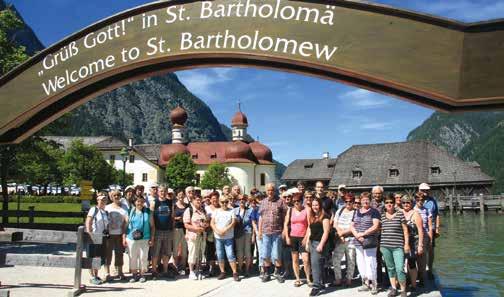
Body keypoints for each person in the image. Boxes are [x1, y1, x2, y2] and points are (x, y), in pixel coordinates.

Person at [351, 192, 381, 294]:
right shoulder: (356, 212)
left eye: (367, 199)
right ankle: (365, 283)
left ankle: (374, 284)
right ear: (360, 200)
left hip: (369, 241)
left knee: (371, 262)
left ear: (370, 200)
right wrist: (357, 235)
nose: (365, 201)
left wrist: (363, 234)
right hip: (358, 241)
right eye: (363, 199)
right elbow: (352, 225)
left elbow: (375, 226)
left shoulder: (374, 211)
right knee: (360, 262)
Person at [380, 195, 410, 297]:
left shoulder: (400, 214)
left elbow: (406, 231)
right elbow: (380, 229)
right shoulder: (382, 215)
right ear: (384, 203)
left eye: (391, 202)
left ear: (394, 203)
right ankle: (393, 288)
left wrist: (406, 244)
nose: (389, 204)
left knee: (400, 268)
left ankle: (403, 290)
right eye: (387, 202)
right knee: (390, 268)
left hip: (398, 246)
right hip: (385, 246)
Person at [258, 183, 288, 283]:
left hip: (277, 232)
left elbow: (285, 217)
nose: (270, 192)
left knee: (277, 253)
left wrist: (284, 230)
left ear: (274, 190)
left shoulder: (281, 202)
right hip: (266, 232)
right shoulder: (263, 202)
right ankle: (266, 273)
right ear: (266, 191)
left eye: (272, 190)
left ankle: (277, 273)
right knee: (265, 253)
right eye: (268, 190)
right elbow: (261, 218)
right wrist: (259, 231)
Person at [124, 195, 154, 283]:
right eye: (138, 201)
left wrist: (152, 238)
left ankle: (142, 274)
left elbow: (152, 226)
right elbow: (125, 226)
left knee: (143, 257)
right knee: (132, 257)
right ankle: (134, 274)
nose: (140, 203)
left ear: (144, 202)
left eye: (141, 201)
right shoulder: (130, 212)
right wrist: (123, 237)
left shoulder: (148, 212)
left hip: (145, 238)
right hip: (131, 238)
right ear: (134, 202)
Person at [284, 189, 311, 287]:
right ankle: (298, 278)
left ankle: (308, 278)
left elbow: (309, 225)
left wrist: (307, 238)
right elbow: (286, 224)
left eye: (298, 201)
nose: (296, 203)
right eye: (294, 201)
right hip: (293, 237)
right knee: (295, 259)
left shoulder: (306, 209)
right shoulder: (290, 210)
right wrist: (287, 237)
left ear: (301, 201)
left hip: (303, 237)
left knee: (306, 259)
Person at [211, 195, 240, 281]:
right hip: (218, 237)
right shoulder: (216, 211)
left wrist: (225, 230)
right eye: (222, 202)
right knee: (220, 255)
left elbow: (233, 222)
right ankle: (222, 272)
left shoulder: (231, 211)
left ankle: (235, 272)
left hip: (228, 237)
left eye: (226, 202)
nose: (224, 204)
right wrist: (217, 231)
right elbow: (212, 223)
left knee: (230, 254)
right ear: (219, 202)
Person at [306, 198, 331, 296]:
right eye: (313, 205)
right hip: (312, 242)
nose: (315, 207)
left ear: (320, 205)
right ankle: (320, 283)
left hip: (319, 243)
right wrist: (308, 242)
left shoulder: (324, 217)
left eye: (316, 205)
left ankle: (316, 286)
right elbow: (310, 230)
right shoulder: (313, 216)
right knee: (318, 264)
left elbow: (326, 232)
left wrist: (321, 244)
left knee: (315, 265)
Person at [332, 193, 357, 287]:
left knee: (351, 260)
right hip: (340, 239)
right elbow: (335, 224)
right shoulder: (340, 210)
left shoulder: (356, 212)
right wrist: (340, 234)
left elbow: (353, 227)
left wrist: (343, 233)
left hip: (351, 239)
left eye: (350, 201)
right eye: (346, 201)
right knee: (336, 259)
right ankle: (338, 278)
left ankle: (348, 279)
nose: (348, 203)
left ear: (353, 202)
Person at [150, 185, 175, 279]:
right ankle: (154, 271)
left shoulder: (170, 202)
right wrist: (153, 232)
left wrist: (171, 228)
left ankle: (165, 270)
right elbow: (151, 218)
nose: (162, 193)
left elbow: (172, 217)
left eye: (164, 191)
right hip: (157, 231)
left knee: (166, 252)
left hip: (167, 231)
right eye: (161, 191)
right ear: (157, 192)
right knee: (155, 253)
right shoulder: (154, 203)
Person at [85, 193, 109, 285]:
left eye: (104, 200)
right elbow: (88, 221)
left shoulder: (105, 212)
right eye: (101, 199)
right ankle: (92, 276)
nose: (103, 201)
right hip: (94, 236)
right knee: (93, 256)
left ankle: (96, 275)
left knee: (98, 257)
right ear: (97, 200)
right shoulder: (93, 209)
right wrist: (89, 233)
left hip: (102, 237)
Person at [104, 190, 128, 282]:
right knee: (108, 254)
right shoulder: (107, 207)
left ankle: (120, 272)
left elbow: (126, 221)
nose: (116, 197)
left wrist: (124, 235)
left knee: (119, 254)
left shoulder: (124, 208)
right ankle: (107, 272)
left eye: (118, 195)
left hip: (119, 234)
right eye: (114, 195)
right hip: (109, 234)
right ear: (111, 197)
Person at [410, 192, 433, 288]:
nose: (420, 201)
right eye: (418, 200)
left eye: (422, 200)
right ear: (415, 200)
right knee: (411, 258)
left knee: (422, 259)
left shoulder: (427, 210)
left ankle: (422, 277)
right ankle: (412, 278)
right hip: (413, 236)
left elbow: (430, 226)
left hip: (424, 236)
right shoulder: (412, 209)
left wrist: (431, 240)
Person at [183, 195, 208, 280]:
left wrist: (205, 225)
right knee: (192, 253)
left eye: (200, 200)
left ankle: (198, 270)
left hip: (202, 235)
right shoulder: (189, 210)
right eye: (197, 200)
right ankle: (191, 272)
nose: (199, 202)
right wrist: (196, 228)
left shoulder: (203, 210)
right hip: (193, 235)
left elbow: (206, 221)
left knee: (200, 253)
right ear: (193, 201)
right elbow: (186, 224)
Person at [419, 183, 439, 280]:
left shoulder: (433, 201)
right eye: (423, 190)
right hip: (419, 229)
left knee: (431, 250)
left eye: (427, 190)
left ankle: (430, 270)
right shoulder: (416, 200)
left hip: (431, 228)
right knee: (420, 250)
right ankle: (421, 271)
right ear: (419, 190)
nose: (425, 192)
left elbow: (437, 214)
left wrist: (438, 228)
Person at [233, 194, 254, 277]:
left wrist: (254, 235)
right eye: (240, 199)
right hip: (238, 233)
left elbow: (253, 223)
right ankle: (240, 268)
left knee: (248, 252)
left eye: (243, 199)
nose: (241, 200)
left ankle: (247, 269)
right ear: (237, 200)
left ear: (246, 200)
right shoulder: (234, 210)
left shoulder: (250, 210)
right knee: (239, 252)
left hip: (247, 233)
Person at [204, 191, 221, 277]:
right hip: (210, 232)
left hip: (219, 232)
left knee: (219, 250)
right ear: (210, 199)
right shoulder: (207, 208)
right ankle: (211, 267)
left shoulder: (221, 207)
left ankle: (221, 267)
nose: (215, 200)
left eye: (216, 198)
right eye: (213, 198)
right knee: (210, 250)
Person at [173, 189, 188, 274]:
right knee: (175, 248)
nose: (181, 196)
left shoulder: (187, 206)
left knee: (184, 249)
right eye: (179, 194)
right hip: (176, 228)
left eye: (182, 194)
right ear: (177, 196)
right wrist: (176, 218)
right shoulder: (174, 205)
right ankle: (175, 266)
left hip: (185, 229)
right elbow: (171, 217)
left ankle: (183, 267)